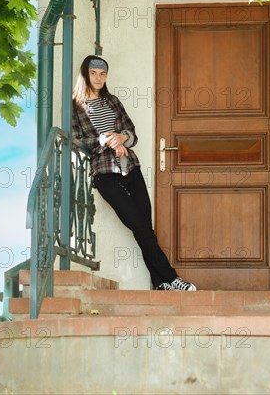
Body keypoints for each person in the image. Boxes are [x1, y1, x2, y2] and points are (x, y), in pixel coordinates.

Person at [72, 55, 197, 291]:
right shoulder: (76, 105)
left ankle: (161, 283)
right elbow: (77, 139)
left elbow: (132, 132)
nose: (98, 78)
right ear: (85, 74)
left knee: (145, 229)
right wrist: (105, 140)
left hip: (130, 168)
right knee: (139, 227)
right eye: (93, 73)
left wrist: (122, 137)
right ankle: (172, 279)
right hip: (105, 175)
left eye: (103, 74)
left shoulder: (112, 101)